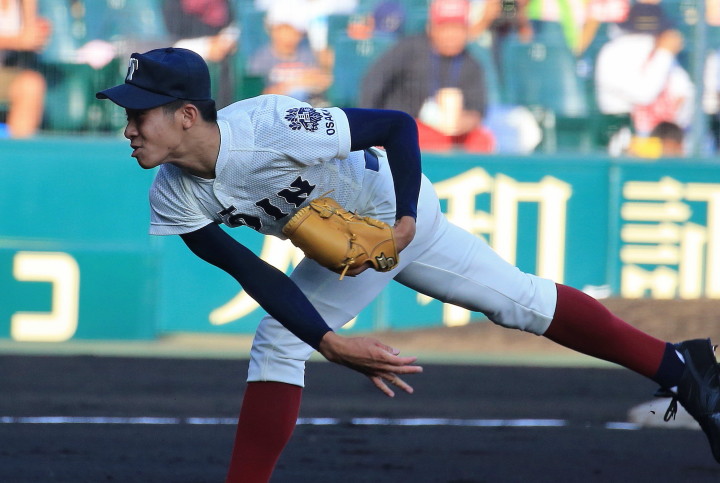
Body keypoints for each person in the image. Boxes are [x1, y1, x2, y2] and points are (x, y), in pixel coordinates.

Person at [96, 47, 720, 482]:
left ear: (186, 115)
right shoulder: (173, 193)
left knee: (278, 346)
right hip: (365, 242)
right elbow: (252, 272)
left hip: (393, 213)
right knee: (521, 302)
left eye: (139, 113)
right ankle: (681, 365)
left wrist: (404, 221)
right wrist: (330, 341)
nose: (128, 128)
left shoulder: (271, 125)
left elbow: (395, 127)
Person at [359, 0, 495, 153]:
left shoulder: (472, 63)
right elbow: (374, 81)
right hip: (407, 125)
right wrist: (371, 125)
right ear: (432, 28)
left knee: (481, 140)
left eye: (458, 28)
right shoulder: (409, 49)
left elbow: (477, 110)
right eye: (446, 28)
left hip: (450, 132)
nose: (452, 35)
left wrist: (461, 123)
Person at [594, 2, 694, 138]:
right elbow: (644, 94)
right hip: (624, 140)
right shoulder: (613, 53)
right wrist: (664, 54)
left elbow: (685, 92)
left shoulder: (660, 52)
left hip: (667, 139)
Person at [247, 1, 331, 104]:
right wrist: (294, 84)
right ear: (273, 30)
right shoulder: (261, 58)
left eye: (293, 30)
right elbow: (259, 95)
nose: (287, 35)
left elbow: (324, 80)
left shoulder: (308, 53)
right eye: (283, 29)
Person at [0, 0, 50, 138]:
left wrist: (39, 35)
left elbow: (31, 36)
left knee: (31, 85)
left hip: (8, 71)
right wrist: (17, 41)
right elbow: (22, 40)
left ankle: (17, 147)